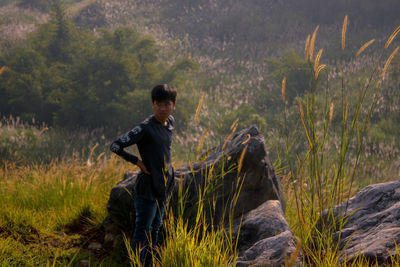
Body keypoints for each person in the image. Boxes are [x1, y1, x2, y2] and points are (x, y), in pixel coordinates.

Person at [110, 84, 177, 264]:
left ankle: (150, 262)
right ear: (152, 104)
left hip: (164, 184)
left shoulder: (170, 122)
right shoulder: (144, 128)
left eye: (167, 104)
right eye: (158, 104)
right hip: (147, 185)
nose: (163, 108)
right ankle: (137, 263)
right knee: (143, 230)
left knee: (156, 227)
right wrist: (137, 162)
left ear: (174, 105)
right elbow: (115, 145)